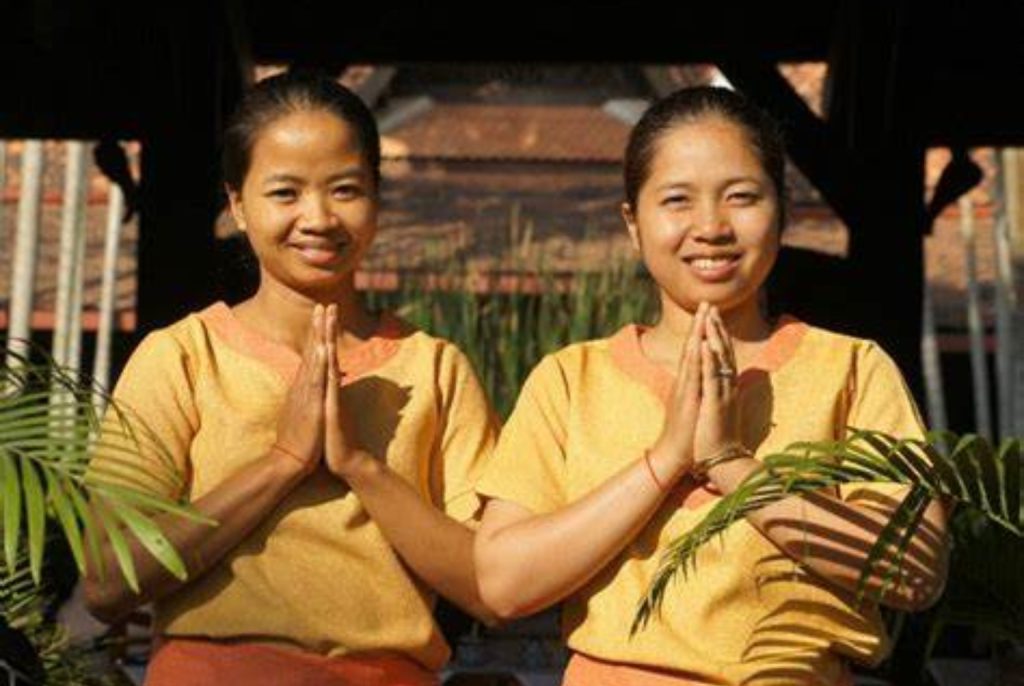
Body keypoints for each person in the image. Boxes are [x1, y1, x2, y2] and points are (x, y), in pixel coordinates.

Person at [473, 87, 949, 686]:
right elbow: (502, 583)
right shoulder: (572, 379)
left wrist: (729, 465)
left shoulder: (850, 370)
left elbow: (916, 569)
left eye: (742, 198)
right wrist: (665, 460)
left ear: (783, 209)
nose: (711, 228)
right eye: (676, 200)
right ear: (632, 222)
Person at [84, 71, 498, 686]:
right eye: (285, 192)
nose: (318, 217)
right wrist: (280, 463)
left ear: (377, 199)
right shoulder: (183, 357)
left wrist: (361, 466)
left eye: (346, 189)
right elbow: (107, 581)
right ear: (237, 205)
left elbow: (490, 587)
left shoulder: (434, 369)